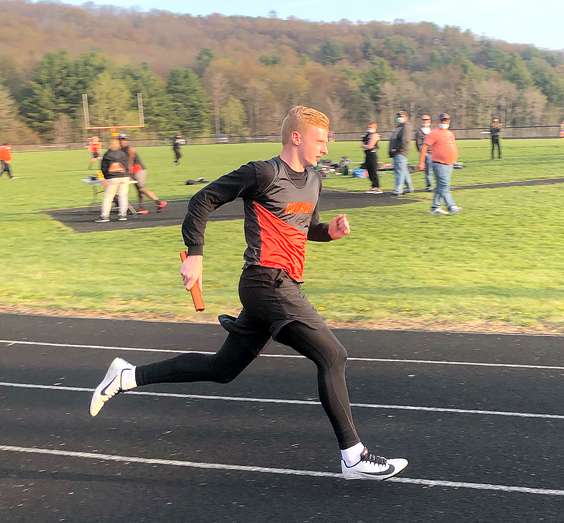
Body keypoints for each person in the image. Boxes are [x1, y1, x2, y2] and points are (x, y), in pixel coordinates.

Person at [90, 105, 408, 481]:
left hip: (281, 285)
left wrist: (329, 232)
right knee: (333, 356)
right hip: (265, 281)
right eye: (320, 140)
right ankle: (353, 457)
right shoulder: (262, 173)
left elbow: (305, 226)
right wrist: (195, 254)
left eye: (327, 141)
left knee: (222, 369)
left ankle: (128, 376)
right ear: (296, 137)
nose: (325, 148)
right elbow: (201, 200)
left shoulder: (314, 180)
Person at [418, 113, 462, 216]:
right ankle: (451, 206)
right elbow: (425, 147)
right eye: (443, 120)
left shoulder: (450, 133)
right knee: (444, 185)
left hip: (449, 164)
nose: (444, 122)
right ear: (439, 121)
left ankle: (435, 207)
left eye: (446, 120)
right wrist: (421, 162)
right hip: (439, 163)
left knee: (440, 186)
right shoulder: (434, 133)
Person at [118, 134, 167, 214]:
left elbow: (130, 160)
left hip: (138, 169)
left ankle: (159, 202)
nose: (122, 141)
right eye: (120, 140)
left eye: (123, 140)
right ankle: (142, 207)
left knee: (141, 188)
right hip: (131, 171)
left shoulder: (130, 148)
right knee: (138, 190)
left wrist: (129, 172)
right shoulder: (119, 150)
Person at [96, 137, 131, 223]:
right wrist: (128, 174)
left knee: (108, 197)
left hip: (112, 177)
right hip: (124, 176)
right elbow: (127, 165)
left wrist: (106, 177)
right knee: (123, 196)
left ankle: (105, 216)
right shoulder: (123, 154)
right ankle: (123, 215)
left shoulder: (107, 154)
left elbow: (104, 167)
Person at [388, 110, 414, 195]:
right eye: (398, 116)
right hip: (398, 151)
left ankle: (398, 189)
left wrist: (399, 149)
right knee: (404, 170)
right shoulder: (400, 126)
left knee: (399, 171)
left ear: (406, 117)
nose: (399, 118)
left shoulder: (406, 126)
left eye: (401, 116)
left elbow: (405, 140)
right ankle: (409, 187)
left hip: (401, 151)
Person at [361, 123, 382, 194]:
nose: (369, 129)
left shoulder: (375, 135)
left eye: (371, 127)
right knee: (369, 171)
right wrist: (366, 146)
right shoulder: (367, 135)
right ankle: (373, 186)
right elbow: (362, 144)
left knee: (373, 170)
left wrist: (366, 146)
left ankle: (377, 187)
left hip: (372, 154)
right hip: (367, 154)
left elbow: (370, 146)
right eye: (368, 127)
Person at [414, 115, 433, 191]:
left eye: (427, 119)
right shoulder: (419, 132)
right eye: (424, 119)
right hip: (427, 154)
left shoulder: (433, 130)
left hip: (435, 153)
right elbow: (418, 144)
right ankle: (429, 186)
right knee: (428, 171)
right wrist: (423, 153)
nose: (425, 121)